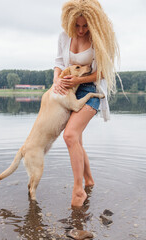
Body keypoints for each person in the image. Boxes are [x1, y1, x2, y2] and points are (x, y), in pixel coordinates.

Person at [53, 0, 120, 207]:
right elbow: (57, 63)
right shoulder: (64, 36)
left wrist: (79, 80)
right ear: (70, 21)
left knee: (70, 135)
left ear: (93, 22)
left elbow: (103, 73)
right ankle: (89, 180)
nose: (81, 30)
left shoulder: (99, 38)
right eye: (77, 25)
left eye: (85, 25)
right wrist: (57, 80)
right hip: (67, 90)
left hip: (90, 90)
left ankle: (78, 189)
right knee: (77, 142)